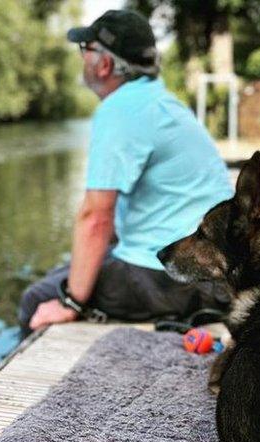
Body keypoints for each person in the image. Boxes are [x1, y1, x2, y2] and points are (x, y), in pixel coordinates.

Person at [18, 9, 232, 338]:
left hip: (173, 277)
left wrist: (71, 303)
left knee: (38, 298)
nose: (82, 58)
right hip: (212, 272)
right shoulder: (161, 102)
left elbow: (95, 218)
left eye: (85, 49)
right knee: (77, 266)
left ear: (103, 64)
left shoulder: (120, 110)